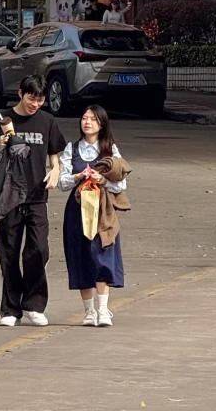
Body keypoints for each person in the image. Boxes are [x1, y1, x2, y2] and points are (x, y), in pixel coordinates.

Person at [0, 73, 65, 327]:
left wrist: (56, 170)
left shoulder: (47, 121)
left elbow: (54, 152)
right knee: (9, 253)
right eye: (31, 98)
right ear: (20, 93)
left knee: (39, 249)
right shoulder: (1, 120)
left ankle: (34, 304)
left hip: (38, 196)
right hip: (8, 198)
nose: (35, 104)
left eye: (40, 100)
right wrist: (1, 141)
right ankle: (10, 310)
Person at [59, 105, 129, 326]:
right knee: (80, 255)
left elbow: (121, 183)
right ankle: (88, 311)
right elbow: (61, 182)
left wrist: (103, 180)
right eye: (84, 118)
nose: (87, 122)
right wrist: (78, 176)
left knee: (103, 254)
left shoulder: (110, 150)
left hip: (103, 209)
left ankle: (103, 309)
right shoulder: (71, 149)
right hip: (77, 208)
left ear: (102, 124)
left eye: (92, 119)